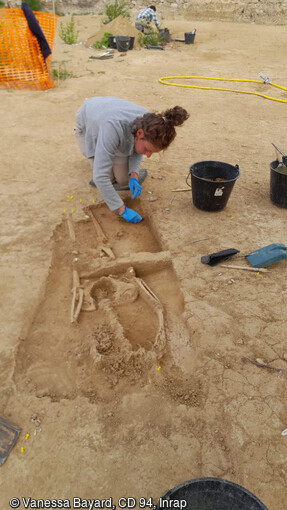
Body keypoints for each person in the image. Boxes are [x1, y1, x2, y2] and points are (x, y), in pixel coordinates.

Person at [74, 96, 189, 223]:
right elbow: (100, 177)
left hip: (116, 127)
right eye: (148, 150)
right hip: (88, 126)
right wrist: (122, 209)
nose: (148, 155)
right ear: (139, 133)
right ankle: (103, 157)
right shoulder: (112, 128)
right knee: (107, 177)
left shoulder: (151, 124)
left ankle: (115, 163)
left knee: (123, 180)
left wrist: (134, 175)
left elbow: (137, 149)